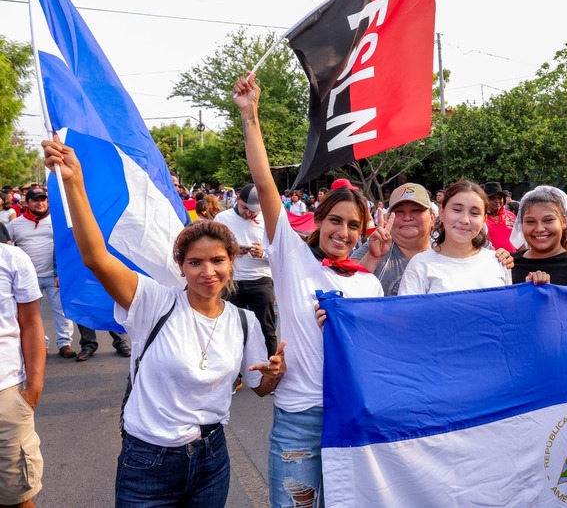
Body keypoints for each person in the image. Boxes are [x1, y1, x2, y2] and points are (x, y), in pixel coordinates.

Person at [41, 137, 283, 508]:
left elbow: (259, 388)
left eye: (217, 261)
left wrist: (274, 374)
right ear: (181, 266)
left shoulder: (244, 322)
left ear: (230, 263)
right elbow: (96, 257)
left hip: (212, 460)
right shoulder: (153, 302)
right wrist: (73, 181)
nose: (207, 272)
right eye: (195, 263)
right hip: (148, 461)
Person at [234, 73, 383, 507]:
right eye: (335, 220)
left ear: (361, 231)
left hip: (353, 414)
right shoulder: (291, 256)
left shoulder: (370, 284)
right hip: (299, 415)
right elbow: (265, 184)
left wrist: (345, 329)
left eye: (353, 225)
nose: (343, 231)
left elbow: (377, 351)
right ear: (318, 221)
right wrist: (250, 114)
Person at [398, 180, 512, 294]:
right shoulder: (420, 265)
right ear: (442, 212)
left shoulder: (498, 262)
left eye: (474, 213)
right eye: (457, 210)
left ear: (484, 219)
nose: (465, 220)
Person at [6, 187, 77, 359]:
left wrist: (63, 271)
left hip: (54, 276)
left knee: (61, 311)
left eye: (43, 200)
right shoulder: (15, 224)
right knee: (32, 315)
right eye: (36, 200)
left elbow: (66, 247)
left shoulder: (57, 221)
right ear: (27, 203)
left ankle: (64, 343)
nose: (40, 203)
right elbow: (6, 247)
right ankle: (40, 345)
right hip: (27, 278)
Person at [0, 243, 46, 508]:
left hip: (5, 396)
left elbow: (31, 322)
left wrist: (34, 388)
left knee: (16, 498)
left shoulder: (11, 259)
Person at [214, 184, 278, 357]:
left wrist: (263, 253)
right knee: (232, 328)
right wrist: (231, 251)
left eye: (254, 211)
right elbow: (212, 249)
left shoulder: (269, 219)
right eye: (245, 208)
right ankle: (235, 368)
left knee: (266, 327)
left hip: (260, 279)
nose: (249, 214)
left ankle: (271, 365)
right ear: (238, 199)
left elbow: (281, 252)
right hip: (232, 281)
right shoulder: (222, 218)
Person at [482, 181, 517, 252]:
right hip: (491, 257)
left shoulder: (511, 215)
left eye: (500, 198)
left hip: (514, 257)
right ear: (485, 200)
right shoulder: (481, 218)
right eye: (492, 198)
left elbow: (519, 238)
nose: (497, 201)